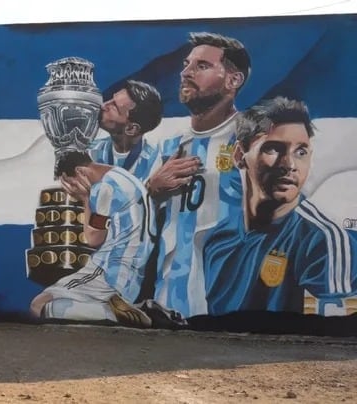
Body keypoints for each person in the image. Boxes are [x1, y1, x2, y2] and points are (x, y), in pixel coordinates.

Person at [203, 97, 357, 315]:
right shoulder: (217, 241)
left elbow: (329, 341)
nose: (290, 165)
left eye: (301, 152)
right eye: (274, 149)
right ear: (239, 156)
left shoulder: (321, 241)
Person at [146, 32, 251, 318]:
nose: (185, 72)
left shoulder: (254, 140)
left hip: (230, 310)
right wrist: (151, 191)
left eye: (201, 66)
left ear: (233, 80)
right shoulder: (169, 145)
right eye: (186, 64)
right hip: (166, 303)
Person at [29, 151, 155, 327]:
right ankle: (143, 309)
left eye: (71, 183)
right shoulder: (123, 176)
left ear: (81, 172)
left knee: (39, 305)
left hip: (110, 270)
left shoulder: (105, 188)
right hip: (131, 270)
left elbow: (93, 239)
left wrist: (85, 198)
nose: (71, 192)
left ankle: (116, 315)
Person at [88, 80, 163, 181]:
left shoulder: (154, 165)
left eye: (114, 107)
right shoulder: (91, 151)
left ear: (131, 129)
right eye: (111, 99)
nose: (104, 105)